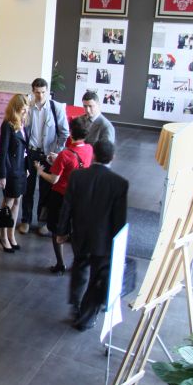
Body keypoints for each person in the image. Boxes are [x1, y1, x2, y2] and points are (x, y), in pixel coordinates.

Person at [56, 140, 128, 331]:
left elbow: (67, 206)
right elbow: (119, 220)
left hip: (80, 235)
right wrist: (117, 247)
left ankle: (75, 304)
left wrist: (62, 231)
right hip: (103, 241)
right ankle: (86, 318)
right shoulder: (119, 184)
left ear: (94, 154)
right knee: (97, 276)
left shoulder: (77, 176)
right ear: (113, 157)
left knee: (79, 267)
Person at [35, 116, 93, 275]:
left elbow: (54, 179)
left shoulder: (65, 154)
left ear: (71, 132)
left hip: (61, 197)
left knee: (57, 230)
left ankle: (60, 263)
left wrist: (40, 172)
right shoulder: (89, 149)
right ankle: (78, 263)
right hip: (79, 197)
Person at [19, 78, 70, 237]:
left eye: (43, 92)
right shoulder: (28, 107)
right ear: (32, 92)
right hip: (31, 153)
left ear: (47, 91)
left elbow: (64, 133)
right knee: (28, 188)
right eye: (37, 92)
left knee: (45, 190)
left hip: (48, 155)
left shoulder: (56, 108)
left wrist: (56, 152)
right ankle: (26, 220)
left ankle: (42, 222)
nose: (40, 95)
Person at [0, 93, 30, 253]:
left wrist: (27, 167)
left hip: (21, 168)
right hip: (11, 170)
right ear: (15, 109)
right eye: (22, 110)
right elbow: (2, 151)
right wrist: (2, 174)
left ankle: (11, 234)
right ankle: (3, 236)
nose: (25, 112)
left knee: (17, 201)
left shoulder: (23, 124)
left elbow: (25, 148)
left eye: (26, 109)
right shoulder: (7, 125)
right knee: (8, 203)